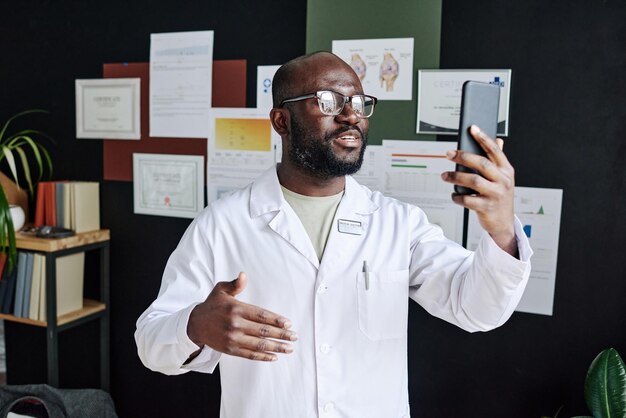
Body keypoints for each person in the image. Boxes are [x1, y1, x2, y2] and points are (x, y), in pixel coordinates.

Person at [135, 51, 532, 417]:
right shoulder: (222, 224)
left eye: (359, 104)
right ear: (281, 121)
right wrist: (196, 325)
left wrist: (500, 230)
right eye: (328, 102)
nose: (350, 116)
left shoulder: (398, 224)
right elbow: (151, 344)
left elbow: (477, 309)